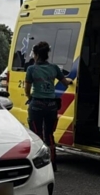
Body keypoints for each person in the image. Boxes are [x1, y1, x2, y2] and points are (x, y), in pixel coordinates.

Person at [24, 41, 71, 169]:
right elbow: (66, 82)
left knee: (37, 134)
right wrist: (70, 80)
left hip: (37, 105)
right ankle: (53, 164)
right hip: (51, 106)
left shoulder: (31, 69)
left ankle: (40, 165)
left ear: (36, 55)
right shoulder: (54, 68)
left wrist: (30, 98)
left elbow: (27, 89)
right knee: (49, 135)